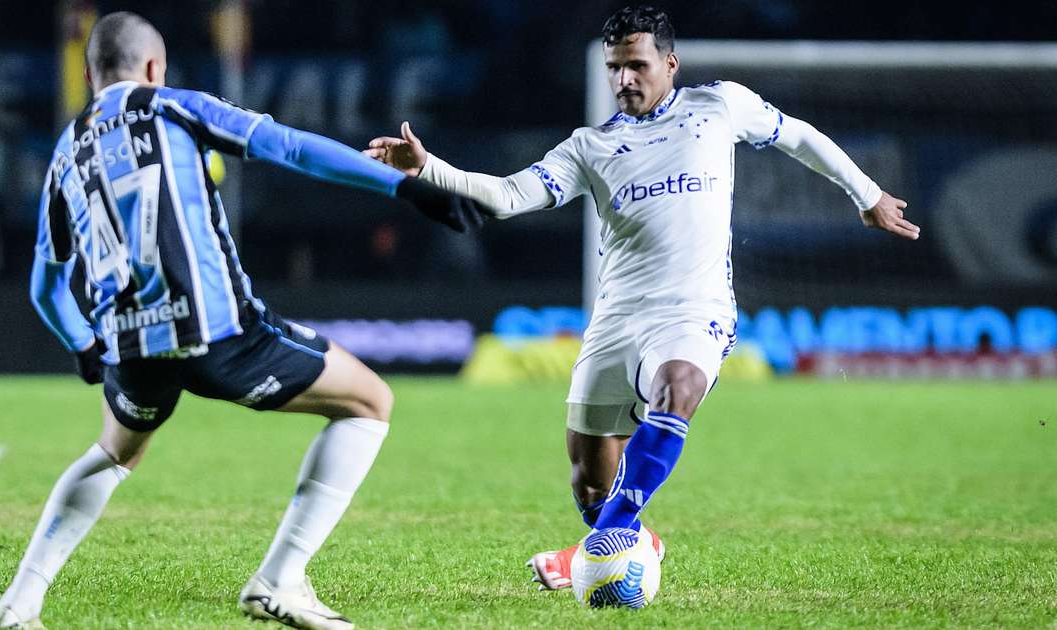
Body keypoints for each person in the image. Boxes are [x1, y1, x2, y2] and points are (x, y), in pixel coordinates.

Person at [364, 4, 919, 592]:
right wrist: (428, 167)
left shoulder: (719, 105)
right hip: (618, 318)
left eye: (637, 65)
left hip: (695, 311)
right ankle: (632, 538)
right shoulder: (589, 146)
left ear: (669, 64)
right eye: (614, 68)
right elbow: (506, 196)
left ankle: (603, 541)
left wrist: (866, 194)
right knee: (589, 480)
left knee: (676, 388)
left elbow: (799, 135)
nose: (624, 79)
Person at [0, 11, 489, 630]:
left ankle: (19, 604)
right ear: (154, 67)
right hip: (214, 329)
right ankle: (279, 581)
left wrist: (85, 345)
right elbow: (290, 147)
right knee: (369, 401)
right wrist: (405, 187)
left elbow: (45, 284)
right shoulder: (173, 106)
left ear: (89, 77)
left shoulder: (66, 150)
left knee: (115, 452)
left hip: (129, 340)